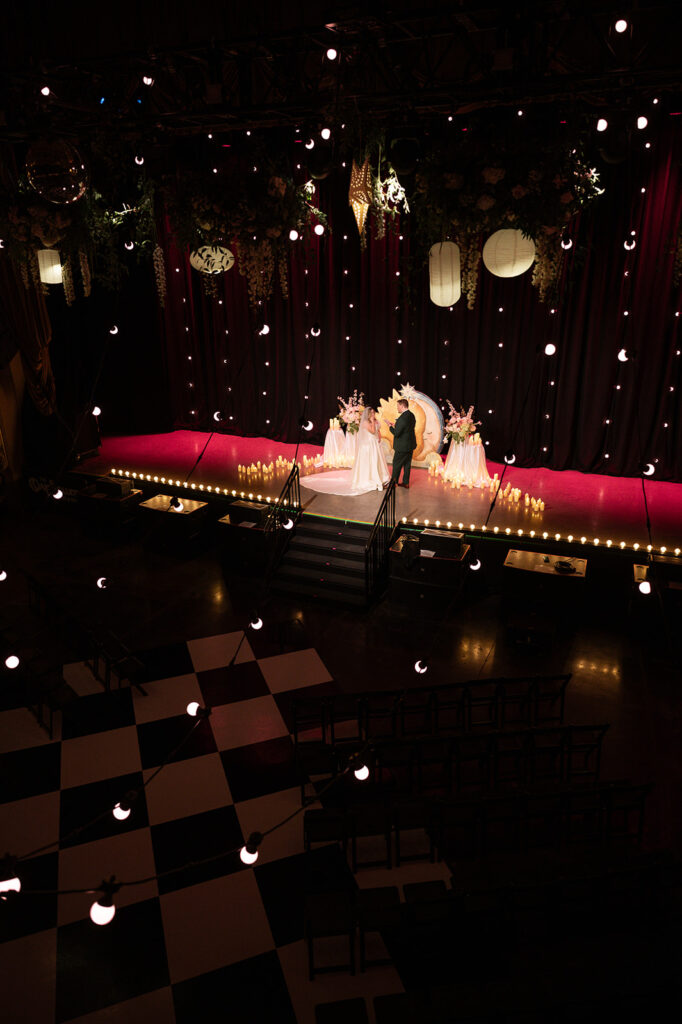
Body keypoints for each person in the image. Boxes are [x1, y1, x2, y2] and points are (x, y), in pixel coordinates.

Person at [350, 406, 389, 492]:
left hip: (375, 443)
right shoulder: (365, 422)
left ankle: (382, 478)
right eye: (371, 413)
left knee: (378, 460)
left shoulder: (375, 421)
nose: (373, 414)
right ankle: (371, 479)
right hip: (368, 444)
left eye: (373, 412)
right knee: (371, 461)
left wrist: (379, 437)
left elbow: (377, 430)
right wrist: (372, 421)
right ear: (368, 414)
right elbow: (372, 431)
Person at [387, 398, 417, 488]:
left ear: (402, 406)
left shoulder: (402, 418)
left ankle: (393, 483)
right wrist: (396, 425)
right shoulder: (411, 415)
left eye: (398, 406)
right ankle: (406, 483)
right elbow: (407, 428)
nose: (397, 408)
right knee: (407, 464)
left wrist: (390, 426)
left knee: (396, 464)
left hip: (402, 446)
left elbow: (396, 433)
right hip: (410, 445)